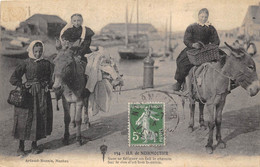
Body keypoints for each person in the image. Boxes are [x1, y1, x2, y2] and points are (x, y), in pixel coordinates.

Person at [9, 40, 53, 156]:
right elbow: (13, 78)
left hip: (42, 94)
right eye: (36, 51)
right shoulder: (25, 63)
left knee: (38, 117)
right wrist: (23, 84)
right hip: (28, 94)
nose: (38, 54)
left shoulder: (46, 63)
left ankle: (34, 145)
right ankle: (21, 147)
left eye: (40, 51)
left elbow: (50, 78)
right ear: (32, 51)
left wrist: (47, 85)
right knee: (24, 118)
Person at [173, 8, 221, 91]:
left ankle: (227, 81)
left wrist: (211, 46)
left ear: (208, 17)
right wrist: (192, 44)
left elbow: (216, 40)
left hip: (206, 50)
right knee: (180, 61)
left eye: (205, 17)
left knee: (223, 58)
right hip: (193, 49)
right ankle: (179, 82)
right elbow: (186, 39)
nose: (203, 19)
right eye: (202, 17)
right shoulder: (192, 27)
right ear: (198, 16)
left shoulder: (211, 28)